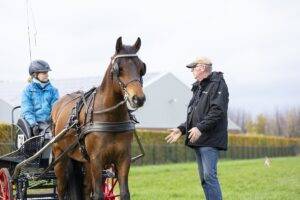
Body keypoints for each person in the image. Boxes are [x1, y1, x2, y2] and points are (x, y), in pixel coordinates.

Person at [165, 57, 229, 200]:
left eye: (193, 68)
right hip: (199, 140)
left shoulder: (217, 84)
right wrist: (181, 129)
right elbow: (195, 115)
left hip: (210, 140)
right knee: (204, 179)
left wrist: (200, 128)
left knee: (209, 176)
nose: (192, 71)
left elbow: (217, 111)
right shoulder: (199, 87)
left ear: (202, 68)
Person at [21, 59, 59, 138]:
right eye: (44, 73)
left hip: (50, 123)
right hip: (35, 124)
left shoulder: (53, 90)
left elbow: (56, 109)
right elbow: (27, 110)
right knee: (49, 136)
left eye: (47, 73)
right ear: (35, 74)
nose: (47, 75)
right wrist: (33, 124)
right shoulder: (27, 90)